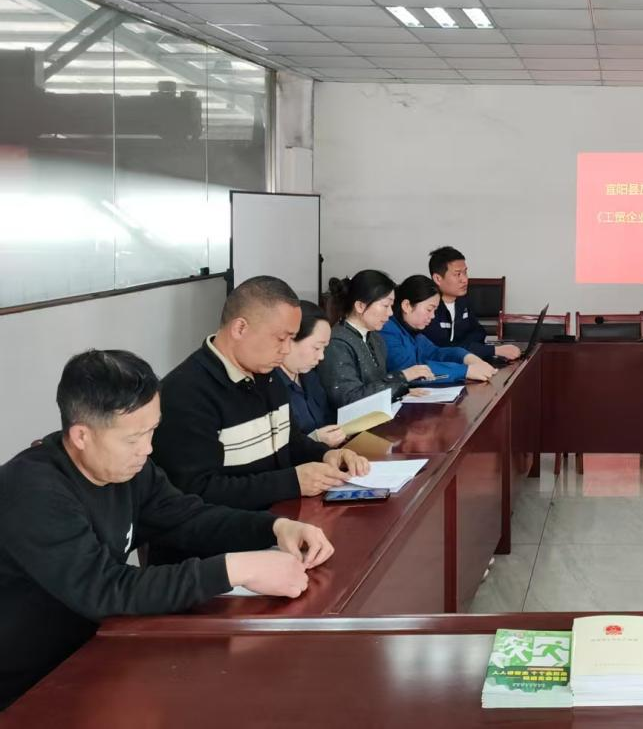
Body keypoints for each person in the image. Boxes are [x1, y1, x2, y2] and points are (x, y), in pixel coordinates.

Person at [0, 350, 334, 710]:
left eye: (152, 431)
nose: (147, 449)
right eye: (133, 439)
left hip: (97, 651)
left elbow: (187, 518)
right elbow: (105, 588)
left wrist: (275, 528)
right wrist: (236, 569)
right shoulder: (34, 490)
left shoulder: (129, 468)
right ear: (82, 435)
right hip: (26, 685)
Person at [153, 276, 369, 514]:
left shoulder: (267, 376)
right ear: (240, 328)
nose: (286, 349)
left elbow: (291, 441)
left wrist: (327, 455)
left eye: (292, 339)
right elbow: (197, 492)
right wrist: (291, 482)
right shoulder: (185, 393)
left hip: (282, 519)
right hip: (233, 533)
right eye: (281, 338)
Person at [320, 270, 435, 408]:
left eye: (391, 306)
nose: (390, 313)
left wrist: (402, 391)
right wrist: (402, 376)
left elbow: (377, 384)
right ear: (360, 306)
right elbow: (349, 399)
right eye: (386, 306)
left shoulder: (376, 338)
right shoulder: (337, 343)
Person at [380, 275, 497, 383]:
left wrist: (466, 357)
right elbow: (410, 371)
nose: (432, 316)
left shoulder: (412, 331)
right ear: (407, 306)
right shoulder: (387, 330)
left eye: (435, 311)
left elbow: (435, 352)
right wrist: (464, 371)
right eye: (429, 309)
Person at [419, 246, 519, 363]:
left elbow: (478, 332)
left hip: (467, 362)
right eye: (458, 274)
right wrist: (493, 350)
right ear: (438, 278)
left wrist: (468, 346)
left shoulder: (462, 300)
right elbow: (445, 349)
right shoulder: (428, 308)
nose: (465, 279)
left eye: (465, 272)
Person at [278, 301, 344, 447]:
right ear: (289, 340)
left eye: (324, 348)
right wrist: (313, 440)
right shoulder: (270, 385)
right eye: (317, 348)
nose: (321, 357)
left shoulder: (310, 376)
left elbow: (327, 417)